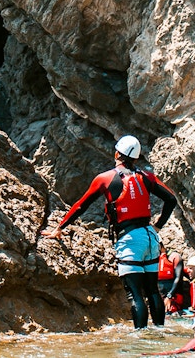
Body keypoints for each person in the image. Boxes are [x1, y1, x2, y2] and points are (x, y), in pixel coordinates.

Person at [41, 134, 177, 329]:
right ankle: (160, 331)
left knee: (135, 294)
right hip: (150, 236)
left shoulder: (105, 178)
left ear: (116, 154)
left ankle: (141, 336)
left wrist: (59, 228)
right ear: (136, 158)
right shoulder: (147, 177)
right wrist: (157, 226)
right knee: (153, 291)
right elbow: (171, 200)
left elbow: (81, 206)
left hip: (129, 238)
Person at [158, 242, 185, 314]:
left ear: (160, 246)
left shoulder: (175, 257)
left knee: (171, 313)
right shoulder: (154, 258)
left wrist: (169, 296)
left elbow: (178, 278)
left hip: (173, 295)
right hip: (161, 294)